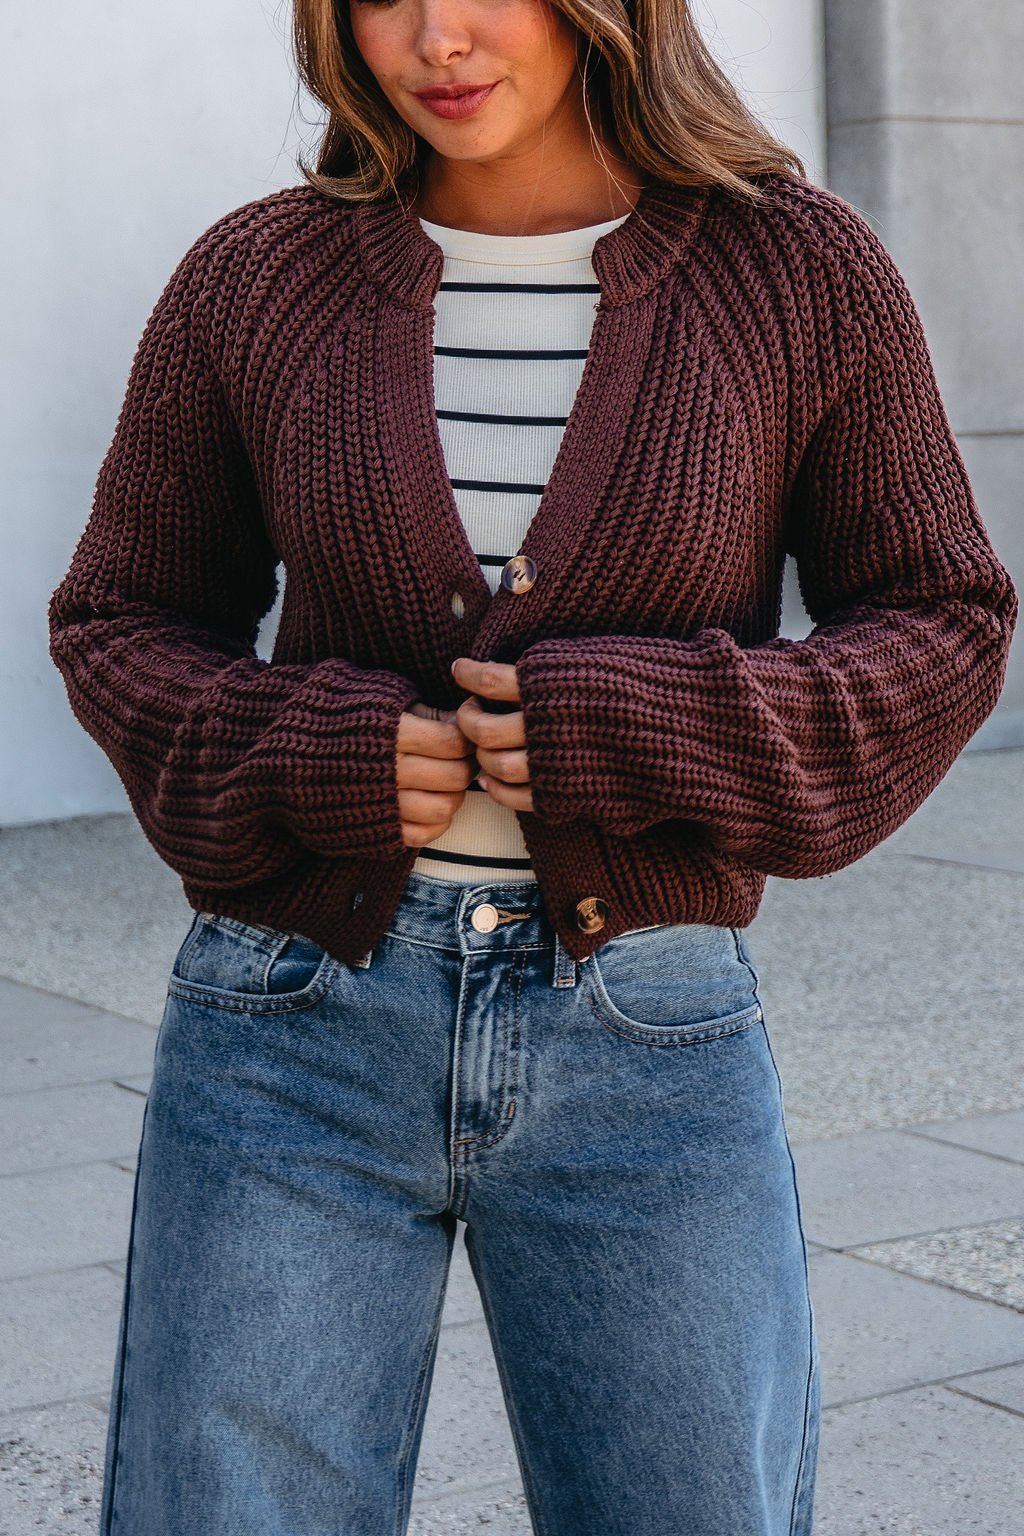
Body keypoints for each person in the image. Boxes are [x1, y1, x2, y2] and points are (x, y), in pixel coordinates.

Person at [48, 0, 1016, 1530]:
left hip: (646, 1031)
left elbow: (944, 619)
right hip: (289, 1029)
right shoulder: (257, 279)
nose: (435, 33)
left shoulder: (796, 272)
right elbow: (123, 615)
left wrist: (644, 725)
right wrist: (314, 752)